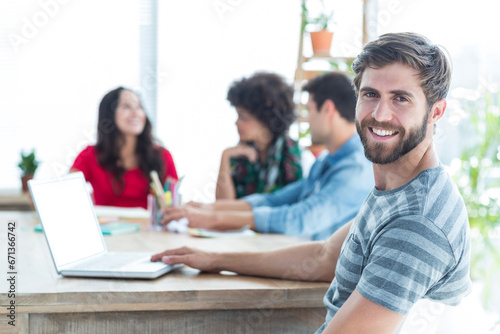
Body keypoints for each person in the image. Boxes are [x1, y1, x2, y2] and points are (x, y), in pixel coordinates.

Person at [152, 32, 472, 333]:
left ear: (436, 112)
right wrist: (217, 260)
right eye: (370, 94)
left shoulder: (417, 223)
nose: (380, 113)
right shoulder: (397, 189)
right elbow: (323, 257)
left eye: (401, 99)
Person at [162, 72, 374, 241]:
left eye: (308, 110)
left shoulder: (355, 168)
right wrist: (206, 208)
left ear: (327, 110)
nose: (305, 120)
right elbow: (275, 200)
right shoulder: (327, 161)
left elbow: (300, 218)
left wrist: (213, 218)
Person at [71, 87, 178, 209]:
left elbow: (174, 203)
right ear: (109, 115)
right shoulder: (90, 155)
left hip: (150, 227)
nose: (135, 113)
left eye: (139, 107)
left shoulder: (162, 155)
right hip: (106, 227)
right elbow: (67, 192)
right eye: (126, 107)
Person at [216, 72, 302, 200]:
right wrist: (225, 156)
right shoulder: (239, 154)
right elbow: (222, 206)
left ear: (266, 120)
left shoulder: (292, 154)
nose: (236, 122)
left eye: (243, 117)